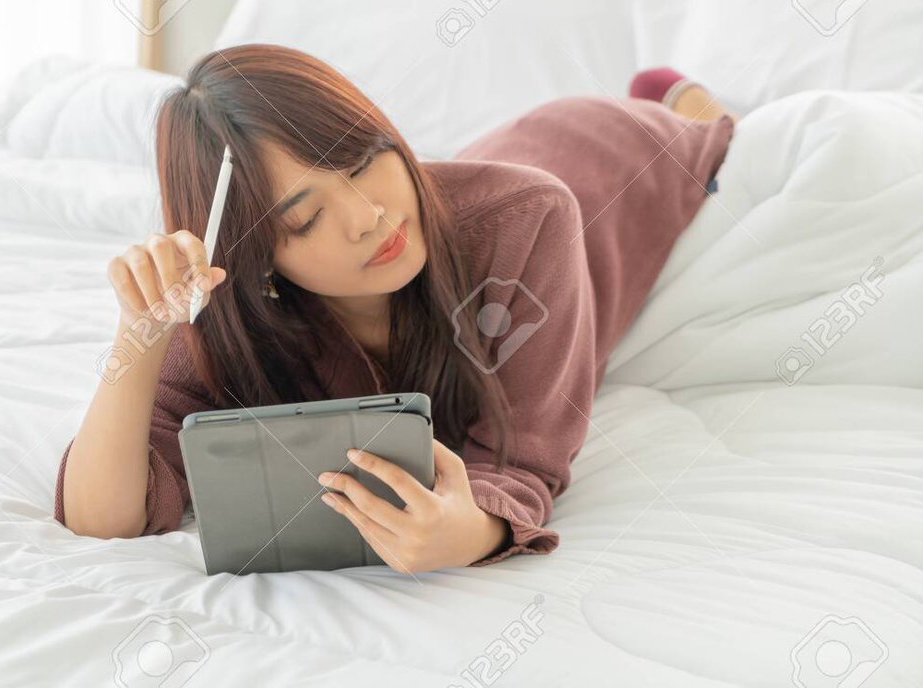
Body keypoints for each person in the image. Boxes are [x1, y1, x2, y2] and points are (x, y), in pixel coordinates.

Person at [54, 44, 736, 572]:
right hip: (484, 172)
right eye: (306, 215)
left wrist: (476, 533)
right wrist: (137, 336)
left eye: (360, 160)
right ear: (254, 255)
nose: (367, 217)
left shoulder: (531, 218)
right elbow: (100, 516)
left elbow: (527, 459)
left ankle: (675, 97)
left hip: (607, 152)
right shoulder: (221, 303)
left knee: (705, 126)